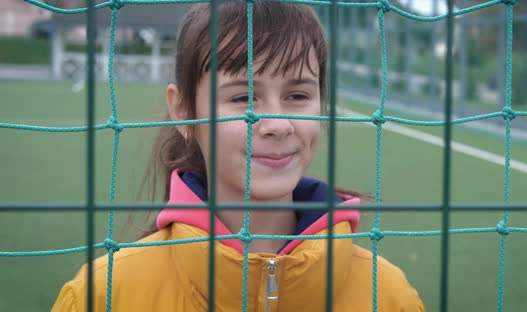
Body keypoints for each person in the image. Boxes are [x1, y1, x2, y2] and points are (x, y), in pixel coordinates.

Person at [52, 2, 424, 311]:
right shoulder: (101, 296)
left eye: (297, 96)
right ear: (183, 111)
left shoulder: (388, 296)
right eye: (243, 98)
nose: (277, 124)